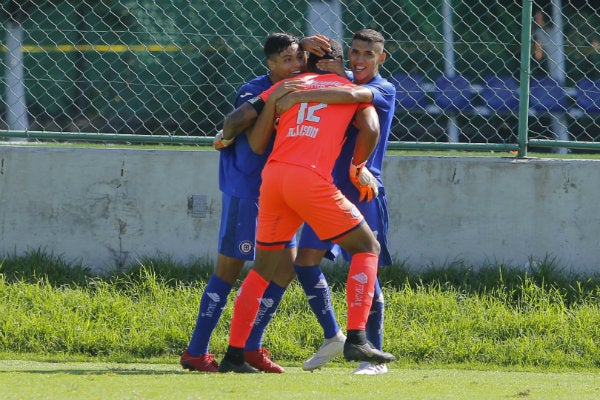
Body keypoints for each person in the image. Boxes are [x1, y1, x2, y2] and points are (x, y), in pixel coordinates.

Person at [217, 38, 396, 373]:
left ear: (306, 62)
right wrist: (358, 167)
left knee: (262, 269)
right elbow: (370, 128)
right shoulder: (346, 87)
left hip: (273, 180)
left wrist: (226, 138)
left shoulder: (287, 85)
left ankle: (234, 355)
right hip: (310, 180)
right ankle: (357, 338)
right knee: (366, 247)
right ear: (337, 62)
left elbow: (241, 121)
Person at [180, 32, 332, 373]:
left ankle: (251, 347)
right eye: (287, 60)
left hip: (283, 190)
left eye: (298, 58)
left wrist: (313, 47)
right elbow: (235, 122)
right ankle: (196, 350)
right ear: (271, 64)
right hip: (249, 188)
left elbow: (335, 71)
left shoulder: (307, 85)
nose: (296, 65)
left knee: (285, 268)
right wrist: (225, 139)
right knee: (230, 268)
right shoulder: (257, 90)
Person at [290, 29, 397, 375]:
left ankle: (373, 354)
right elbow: (296, 77)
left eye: (368, 53)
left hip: (362, 189)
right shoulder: (339, 75)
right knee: (304, 261)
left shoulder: (383, 88)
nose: (360, 59)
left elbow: (354, 93)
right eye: (355, 52)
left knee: (364, 266)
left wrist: (337, 74)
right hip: (324, 187)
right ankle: (333, 336)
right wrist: (304, 48)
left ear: (382, 57)